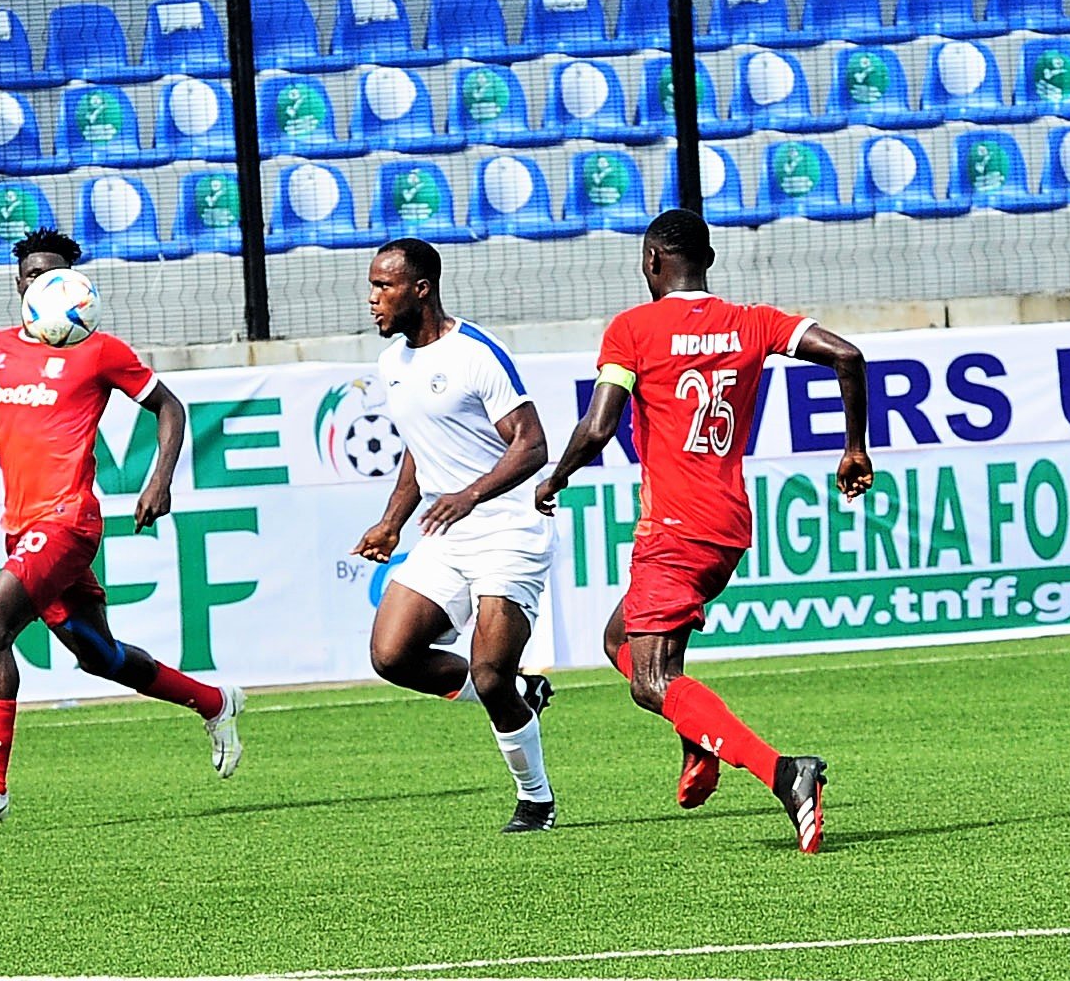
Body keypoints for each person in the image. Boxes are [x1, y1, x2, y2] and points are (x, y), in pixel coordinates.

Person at [535, 209, 872, 854]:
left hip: (673, 527)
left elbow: (599, 426)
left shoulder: (633, 330)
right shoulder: (751, 323)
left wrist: (556, 479)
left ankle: (784, 773)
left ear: (652, 261)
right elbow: (847, 356)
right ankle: (700, 741)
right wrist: (853, 448)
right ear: (708, 260)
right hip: (728, 526)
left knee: (651, 680)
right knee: (620, 638)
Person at [0, 227, 244, 824]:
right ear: (19, 283)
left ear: (76, 282)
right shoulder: (0, 349)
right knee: (100, 656)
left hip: (67, 521)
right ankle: (214, 701)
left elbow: (170, 406)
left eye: (53, 273)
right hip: (22, 526)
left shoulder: (100, 350)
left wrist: (159, 479)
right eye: (32, 274)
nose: (41, 281)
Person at [350, 238, 559, 833]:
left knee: (488, 672)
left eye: (383, 287)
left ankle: (536, 800)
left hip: (508, 529)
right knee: (391, 656)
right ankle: (521, 694)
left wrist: (468, 495)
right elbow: (419, 451)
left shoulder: (476, 355)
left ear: (421, 289)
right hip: (447, 535)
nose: (373, 300)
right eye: (372, 287)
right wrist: (391, 521)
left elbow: (532, 444)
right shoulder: (394, 363)